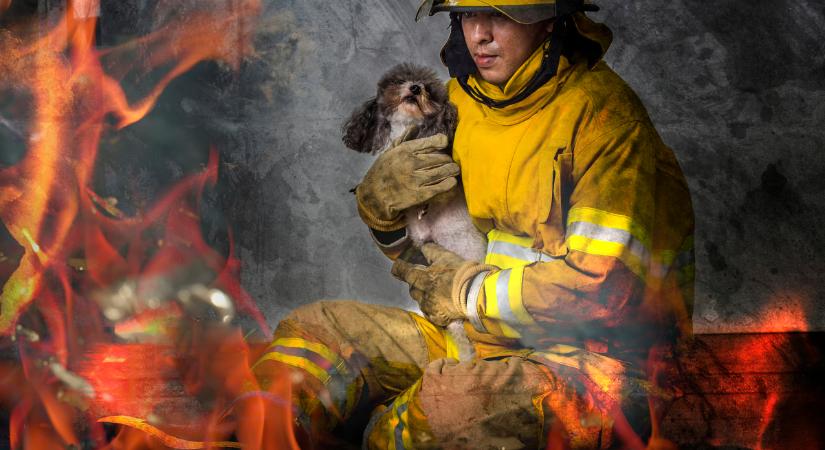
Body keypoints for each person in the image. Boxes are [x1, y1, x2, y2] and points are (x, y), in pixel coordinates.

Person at [250, 1, 694, 448]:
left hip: (596, 367)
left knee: (451, 406)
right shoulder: (460, 104)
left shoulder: (604, 117)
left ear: (551, 19)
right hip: (480, 339)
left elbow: (602, 291)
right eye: (465, 15)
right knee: (317, 332)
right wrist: (383, 212)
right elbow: (429, 257)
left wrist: (464, 295)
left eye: (499, 15)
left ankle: (380, 431)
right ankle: (259, 435)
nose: (478, 33)